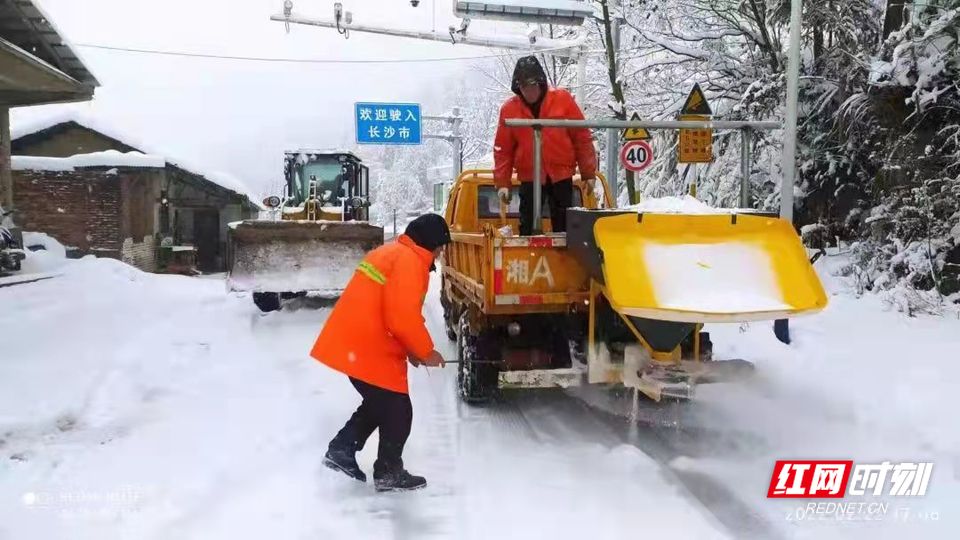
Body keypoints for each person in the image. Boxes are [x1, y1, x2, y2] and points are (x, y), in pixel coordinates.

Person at [310, 213, 451, 492]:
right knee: (398, 411)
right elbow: (401, 317)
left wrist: (413, 350)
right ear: (432, 243)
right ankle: (387, 471)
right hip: (369, 346)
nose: (440, 254)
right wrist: (425, 351)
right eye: (441, 247)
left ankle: (341, 451)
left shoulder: (395, 253)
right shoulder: (410, 262)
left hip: (360, 343)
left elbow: (395, 311)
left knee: (380, 405)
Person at [493, 55, 598, 236]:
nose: (530, 92)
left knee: (565, 224)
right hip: (530, 176)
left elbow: (581, 136)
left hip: (561, 174)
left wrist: (588, 172)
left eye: (533, 85)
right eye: (524, 87)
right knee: (528, 224)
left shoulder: (562, 100)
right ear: (518, 88)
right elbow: (503, 150)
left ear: (541, 83)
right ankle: (530, 258)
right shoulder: (509, 110)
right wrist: (503, 183)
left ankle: (563, 260)